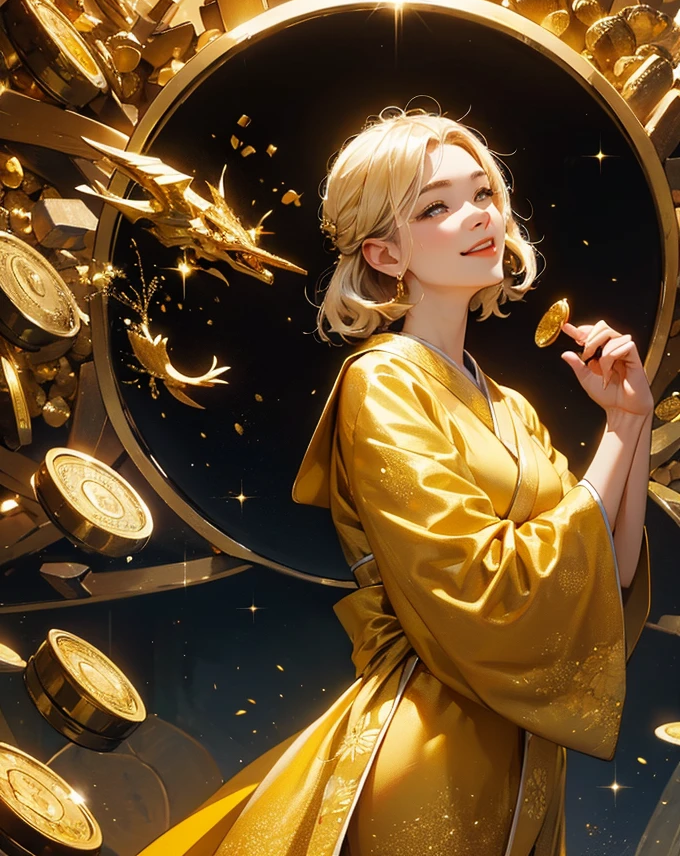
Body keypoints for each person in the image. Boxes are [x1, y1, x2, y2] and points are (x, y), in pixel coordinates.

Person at [142, 108, 651, 856]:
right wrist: (611, 444)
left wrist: (628, 423)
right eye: (435, 207)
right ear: (384, 253)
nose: (476, 216)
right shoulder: (380, 383)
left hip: (524, 765)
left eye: (482, 193)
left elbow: (605, 575)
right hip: (425, 750)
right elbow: (480, 592)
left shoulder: (509, 404)